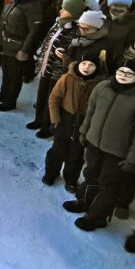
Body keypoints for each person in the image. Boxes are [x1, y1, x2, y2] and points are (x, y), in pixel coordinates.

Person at [65, 60, 135, 230]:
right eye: (121, 71)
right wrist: (84, 132)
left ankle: (97, 217)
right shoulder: (102, 88)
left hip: (118, 152)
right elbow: (90, 112)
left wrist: (133, 159)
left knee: (108, 185)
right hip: (94, 143)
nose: (123, 75)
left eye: (129, 73)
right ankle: (83, 201)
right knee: (91, 174)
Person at [44, 51, 104, 191]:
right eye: (84, 63)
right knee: (57, 150)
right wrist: (55, 120)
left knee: (76, 154)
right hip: (65, 119)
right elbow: (54, 99)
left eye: (91, 65)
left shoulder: (100, 85)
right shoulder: (67, 78)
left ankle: (71, 179)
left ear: (97, 68)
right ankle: (51, 173)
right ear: (79, 64)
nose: (86, 67)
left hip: (85, 122)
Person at [29, 0, 87, 137]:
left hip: (58, 71)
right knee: (42, 95)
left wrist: (64, 56)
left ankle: (47, 126)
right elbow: (47, 41)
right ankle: (38, 119)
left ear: (73, 12)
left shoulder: (76, 31)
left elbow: (74, 52)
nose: (61, 10)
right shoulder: (58, 24)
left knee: (52, 98)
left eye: (65, 9)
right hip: (46, 67)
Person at [0, 0, 45, 110]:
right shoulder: (15, 1)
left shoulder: (33, 6)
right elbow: (3, 19)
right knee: (6, 70)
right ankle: (4, 93)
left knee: (15, 74)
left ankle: (11, 100)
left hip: (18, 44)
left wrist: (24, 49)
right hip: (6, 42)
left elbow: (33, 30)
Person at [102, 0, 135, 69]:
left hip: (117, 63)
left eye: (122, 6)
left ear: (128, 7)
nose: (118, 8)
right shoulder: (100, 16)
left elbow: (132, 46)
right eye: (115, 5)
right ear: (109, 5)